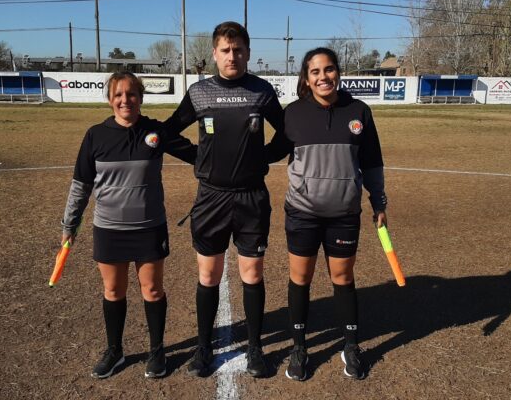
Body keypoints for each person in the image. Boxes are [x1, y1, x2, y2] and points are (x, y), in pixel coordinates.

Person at [163, 21, 285, 378]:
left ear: (248, 53)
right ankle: (203, 347)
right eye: (226, 50)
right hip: (211, 199)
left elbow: (287, 133)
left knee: (252, 273)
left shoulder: (262, 91)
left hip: (251, 198)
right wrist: (198, 157)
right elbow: (169, 131)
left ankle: (255, 348)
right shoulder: (199, 92)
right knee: (208, 274)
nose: (232, 56)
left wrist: (263, 158)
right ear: (215, 53)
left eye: (238, 50)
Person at [60, 71, 196, 380]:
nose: (125, 100)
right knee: (113, 290)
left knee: (153, 289)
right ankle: (115, 351)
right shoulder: (96, 135)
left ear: (141, 97)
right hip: (109, 230)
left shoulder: (155, 132)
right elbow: (81, 185)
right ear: (110, 100)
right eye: (118, 95)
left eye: (131, 94)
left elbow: (196, 155)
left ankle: (157, 351)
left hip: (149, 228)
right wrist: (70, 223)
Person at [266, 47, 388, 381]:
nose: (324, 77)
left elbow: (372, 161)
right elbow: (272, 152)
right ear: (306, 78)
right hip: (302, 213)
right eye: (316, 72)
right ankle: (299, 347)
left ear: (338, 72)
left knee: (343, 278)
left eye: (329, 69)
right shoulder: (294, 114)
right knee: (300, 279)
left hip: (344, 214)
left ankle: (351, 345)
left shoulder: (359, 111)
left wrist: (379, 202)